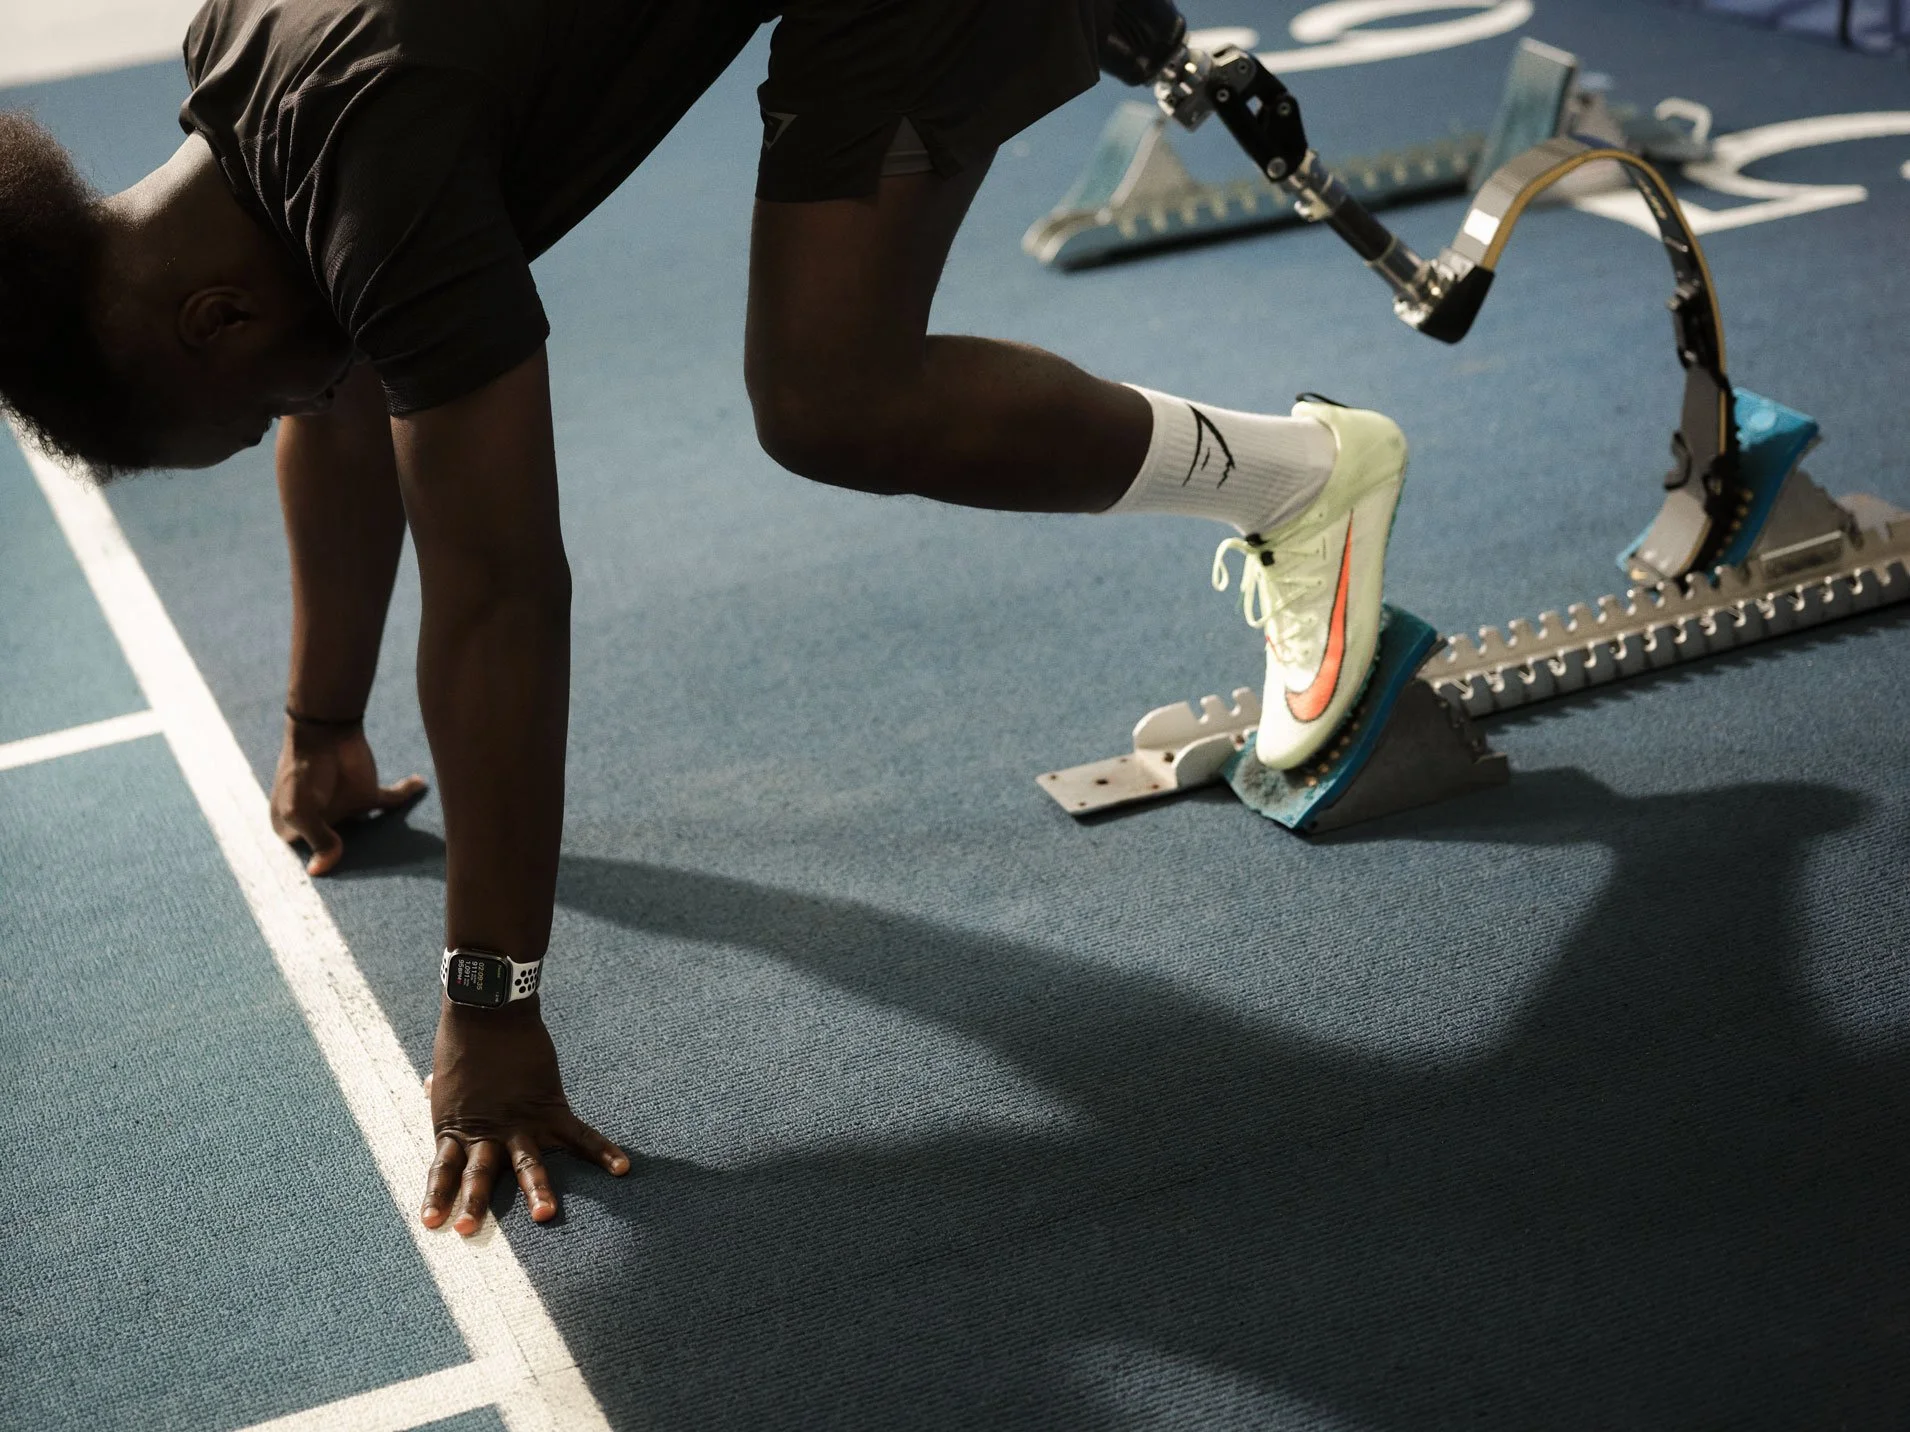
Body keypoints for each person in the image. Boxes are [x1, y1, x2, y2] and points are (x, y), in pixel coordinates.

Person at [0, 0, 1407, 1236]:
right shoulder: (242, 52)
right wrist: (322, 720)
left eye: (256, 413)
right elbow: (346, 381)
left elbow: (498, 595)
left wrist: (490, 1005)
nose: (293, 412)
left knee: (831, 392)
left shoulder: (381, 161)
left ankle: (1302, 485)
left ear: (216, 321)